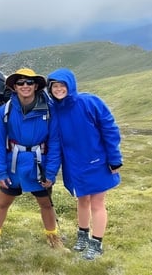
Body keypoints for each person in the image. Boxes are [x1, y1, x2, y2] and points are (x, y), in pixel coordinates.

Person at [0, 68, 66, 263]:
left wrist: (52, 172)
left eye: (29, 82)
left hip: (40, 165)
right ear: (14, 86)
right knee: (3, 202)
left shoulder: (49, 110)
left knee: (46, 203)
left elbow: (54, 143)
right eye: (21, 83)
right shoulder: (4, 112)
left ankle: (53, 237)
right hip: (14, 164)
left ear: (36, 85)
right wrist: (0, 171)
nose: (25, 86)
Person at [47, 67, 123, 260]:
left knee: (97, 203)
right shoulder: (55, 109)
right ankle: (83, 235)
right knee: (82, 200)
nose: (58, 89)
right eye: (55, 86)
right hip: (74, 166)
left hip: (98, 162)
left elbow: (110, 129)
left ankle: (96, 243)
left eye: (62, 85)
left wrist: (114, 158)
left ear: (70, 86)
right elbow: (55, 142)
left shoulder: (89, 102)